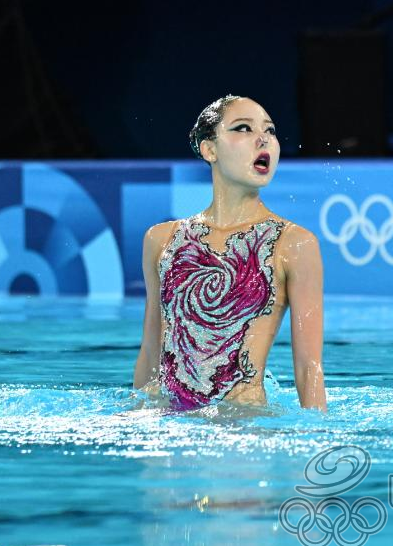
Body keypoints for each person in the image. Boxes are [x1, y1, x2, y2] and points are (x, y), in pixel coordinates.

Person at [133, 95, 327, 411]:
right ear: (210, 149)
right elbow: (150, 352)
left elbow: (310, 367)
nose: (263, 138)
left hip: (242, 429)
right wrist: (136, 418)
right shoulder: (161, 240)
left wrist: (318, 441)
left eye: (271, 130)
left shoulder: (294, 244)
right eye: (243, 128)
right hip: (166, 425)